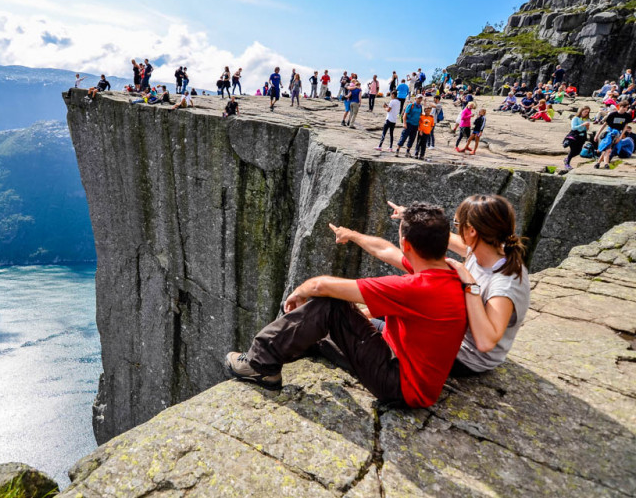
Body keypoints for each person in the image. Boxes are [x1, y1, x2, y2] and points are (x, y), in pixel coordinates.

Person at [225, 202, 467, 410]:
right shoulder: (447, 270)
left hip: (400, 385)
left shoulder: (417, 288)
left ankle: (260, 364)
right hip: (412, 374)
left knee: (331, 306)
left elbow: (321, 287)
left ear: (407, 245)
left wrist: (300, 291)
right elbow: (385, 250)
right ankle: (293, 346)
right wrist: (351, 234)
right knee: (322, 328)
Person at [390, 196, 529, 377]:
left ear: (471, 231)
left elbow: (486, 342)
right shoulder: (487, 249)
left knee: (371, 329)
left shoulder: (504, 284)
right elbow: (441, 235)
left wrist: (471, 285)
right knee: (390, 315)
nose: (454, 228)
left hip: (467, 358)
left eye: (456, 223)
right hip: (453, 334)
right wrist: (410, 217)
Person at [595, 101, 633, 169]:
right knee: (608, 148)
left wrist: (620, 137)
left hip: (617, 132)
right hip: (610, 131)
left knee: (607, 148)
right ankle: (604, 164)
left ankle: (598, 161)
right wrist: (597, 135)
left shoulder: (627, 116)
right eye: (624, 107)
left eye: (626, 108)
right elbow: (604, 125)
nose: (625, 109)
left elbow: (625, 127)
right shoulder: (613, 114)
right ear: (620, 107)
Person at [562, 106, 592, 172]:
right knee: (573, 149)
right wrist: (582, 125)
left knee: (578, 151)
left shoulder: (587, 119)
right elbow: (573, 128)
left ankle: (567, 159)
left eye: (587, 112)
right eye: (585, 112)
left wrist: (587, 126)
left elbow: (586, 129)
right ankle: (567, 163)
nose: (586, 113)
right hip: (574, 134)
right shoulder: (576, 118)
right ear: (581, 111)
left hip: (582, 136)